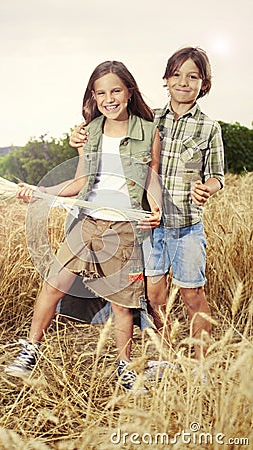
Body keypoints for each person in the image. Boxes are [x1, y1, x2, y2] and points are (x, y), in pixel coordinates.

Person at [5, 60, 161, 392]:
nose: (109, 98)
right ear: (94, 95)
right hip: (88, 222)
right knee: (53, 284)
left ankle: (125, 367)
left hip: (124, 229)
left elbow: (152, 177)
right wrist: (43, 192)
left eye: (116, 90)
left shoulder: (148, 131)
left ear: (129, 91)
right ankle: (29, 351)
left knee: (122, 304)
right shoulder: (89, 132)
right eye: (101, 92)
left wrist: (157, 205)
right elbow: (81, 180)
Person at [70, 47, 225, 374]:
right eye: (177, 75)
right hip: (148, 227)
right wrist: (79, 135)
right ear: (166, 80)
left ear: (204, 84)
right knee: (155, 297)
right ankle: (167, 357)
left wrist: (206, 188)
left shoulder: (210, 128)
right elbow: (105, 129)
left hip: (186, 226)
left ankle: (200, 366)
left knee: (192, 294)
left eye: (193, 76)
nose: (184, 82)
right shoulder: (148, 119)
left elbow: (217, 176)